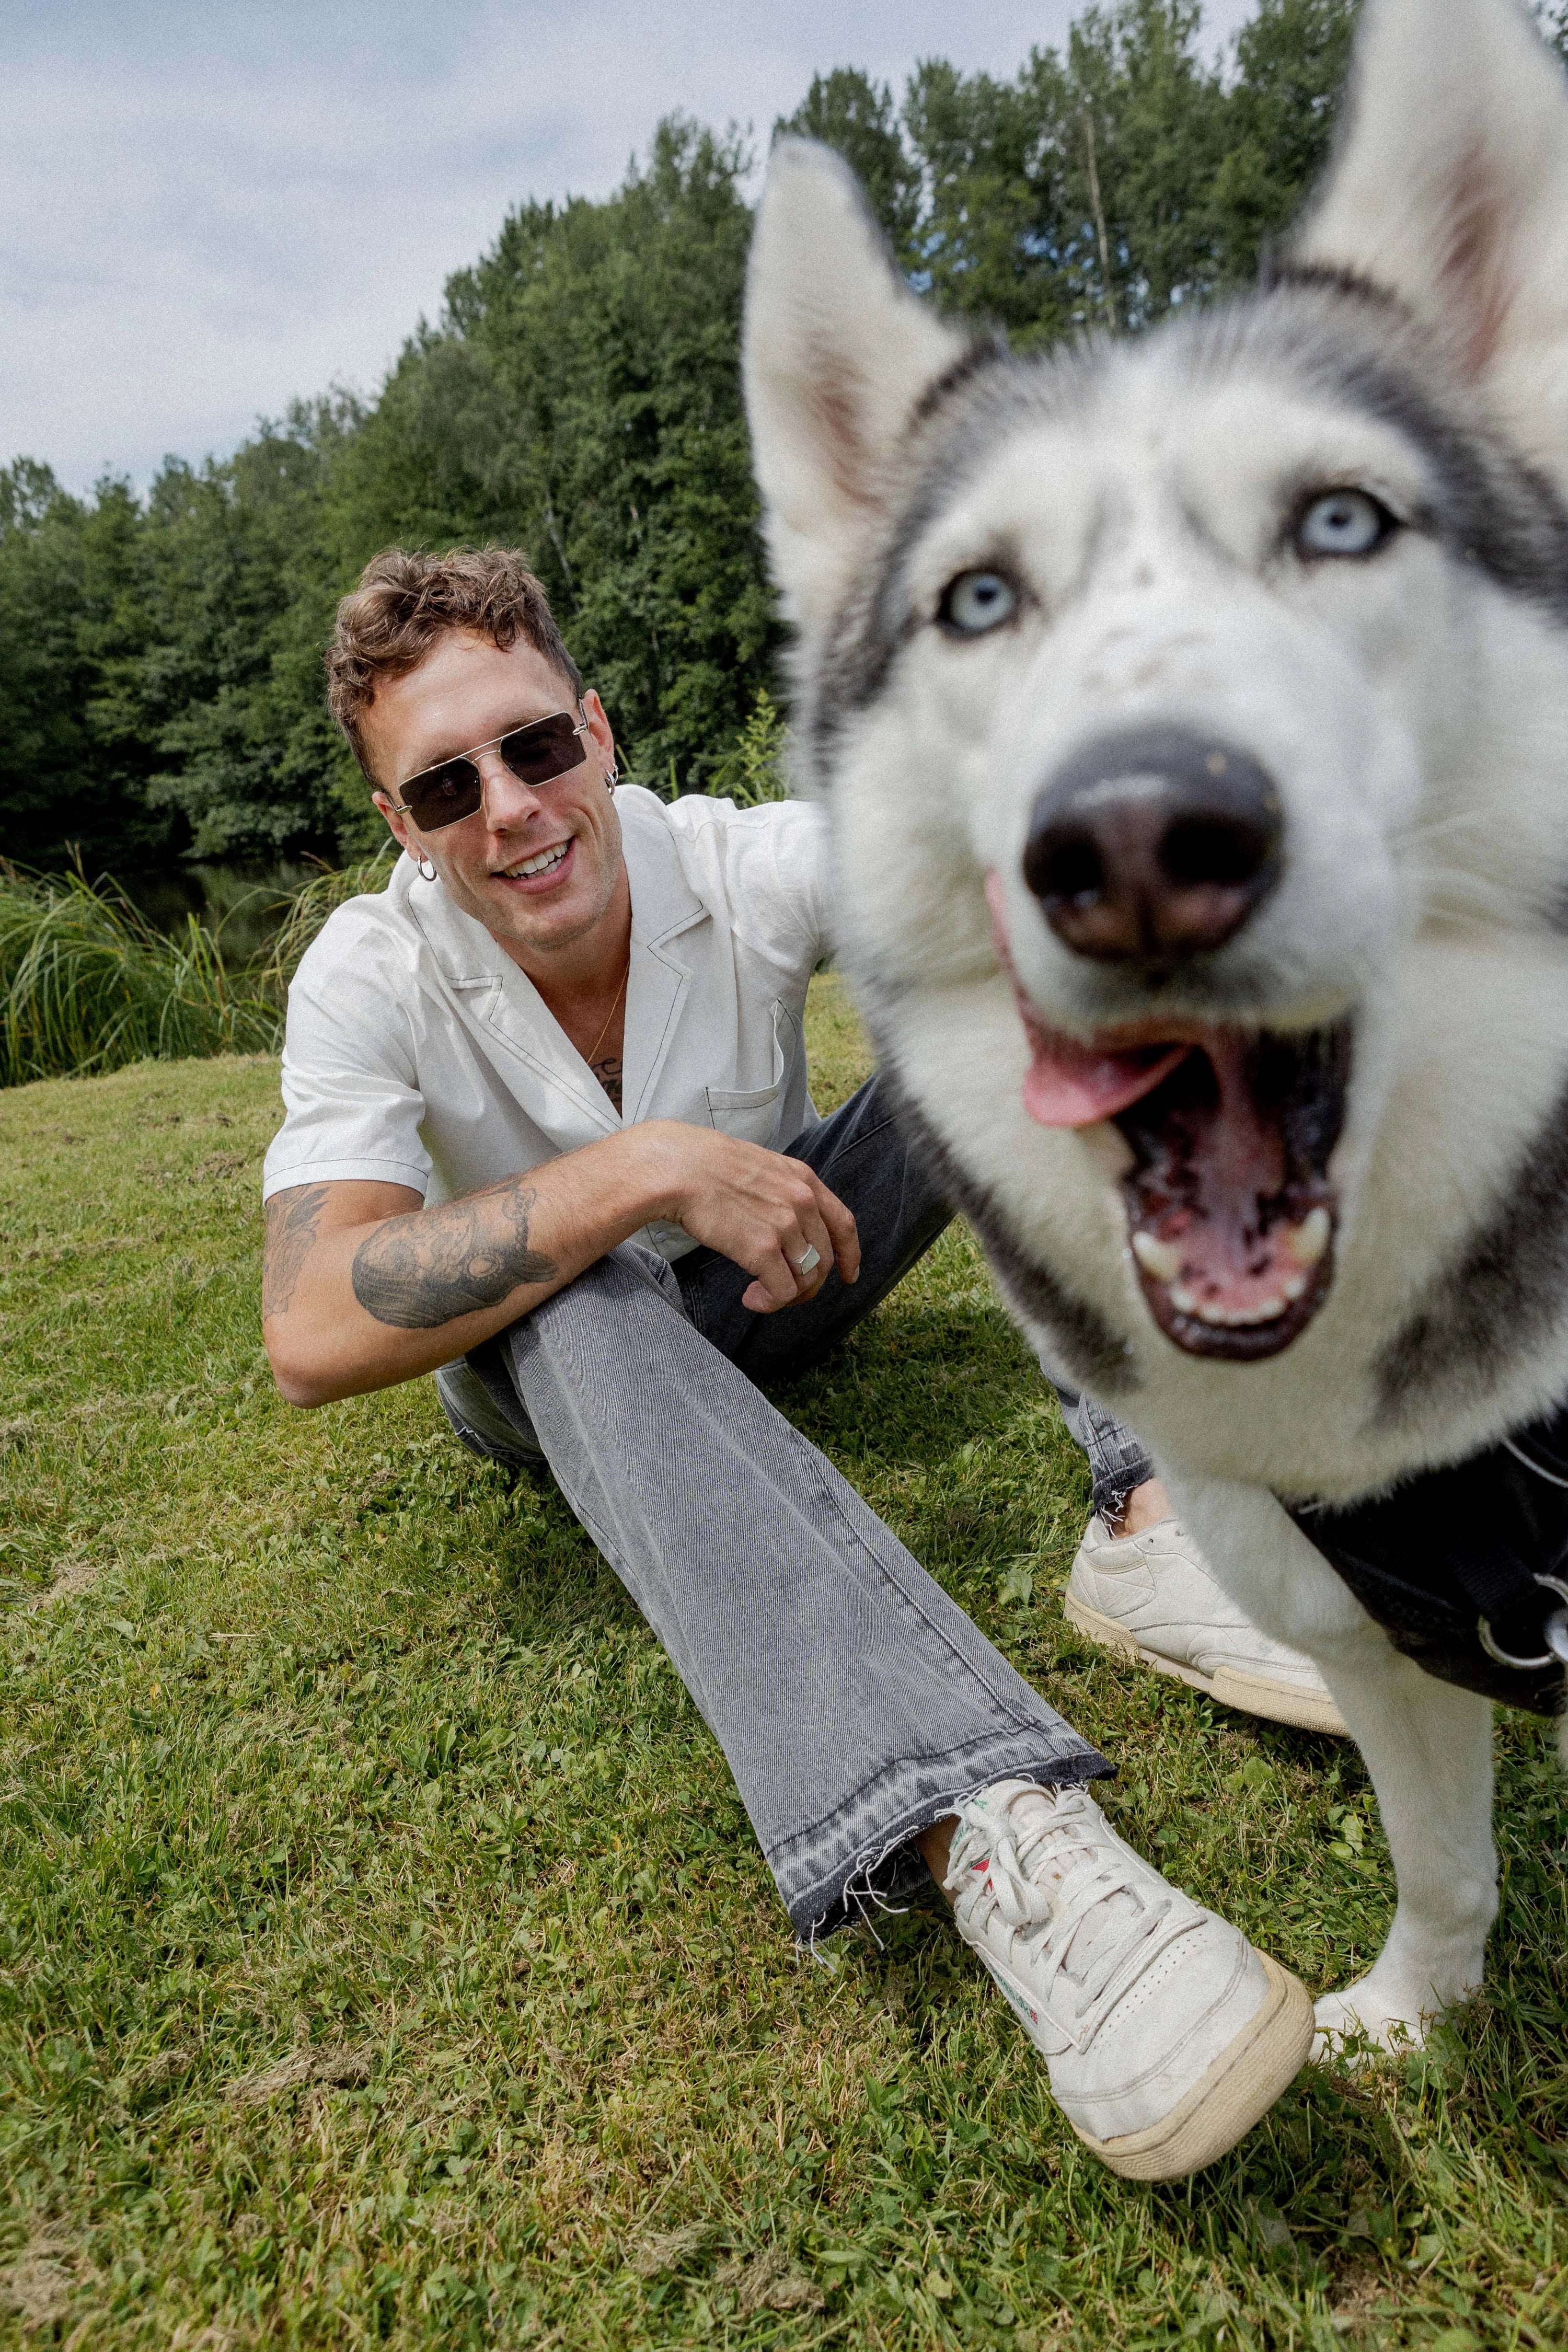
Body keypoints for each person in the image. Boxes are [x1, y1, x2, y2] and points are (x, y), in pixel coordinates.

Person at [260, 546, 1316, 2182]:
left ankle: (1157, 1511)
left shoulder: (739, 862)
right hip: (562, 1367)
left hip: (779, 1275)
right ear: (399, 825)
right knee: (567, 1282)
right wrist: (637, 1170)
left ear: (599, 732)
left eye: (538, 748)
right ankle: (995, 1834)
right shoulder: (367, 969)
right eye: (446, 785)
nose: (514, 811)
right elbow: (315, 1323)